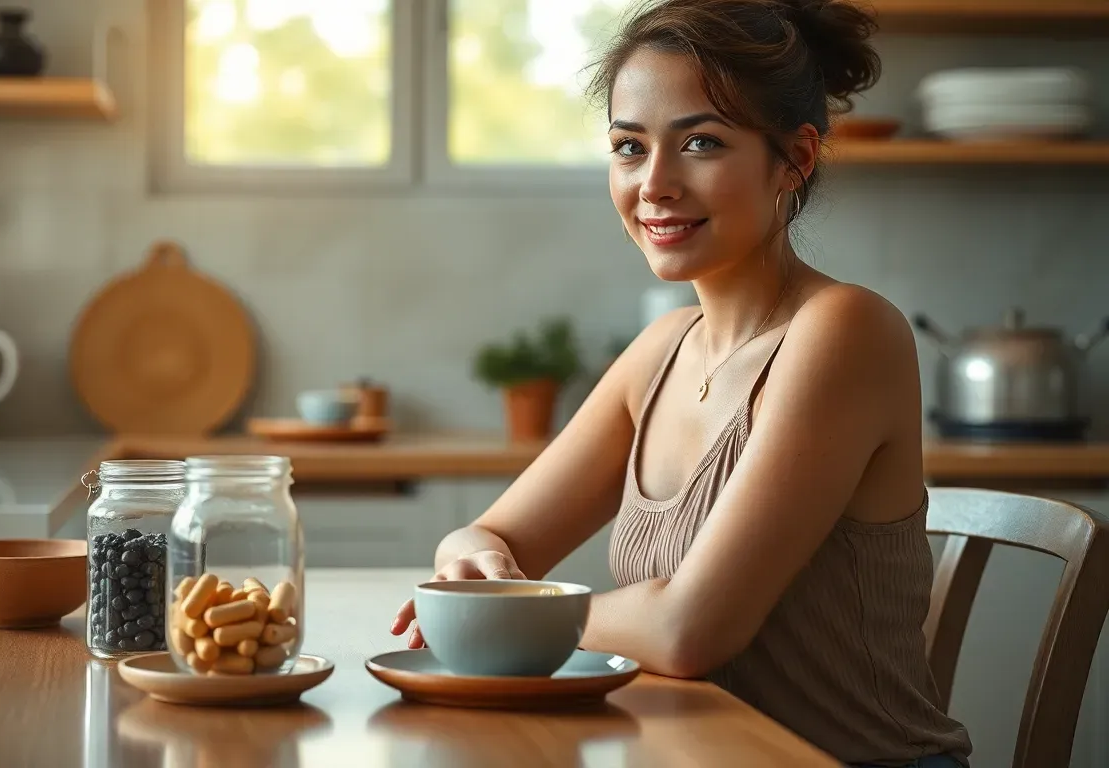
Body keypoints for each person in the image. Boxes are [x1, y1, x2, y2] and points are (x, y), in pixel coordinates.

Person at [390, 1, 974, 765]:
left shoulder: (844, 332)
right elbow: (491, 537)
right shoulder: (661, 350)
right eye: (629, 147)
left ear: (794, 158)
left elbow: (689, 632)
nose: (654, 184)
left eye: (701, 142)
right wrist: (479, 564)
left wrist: (509, 613)